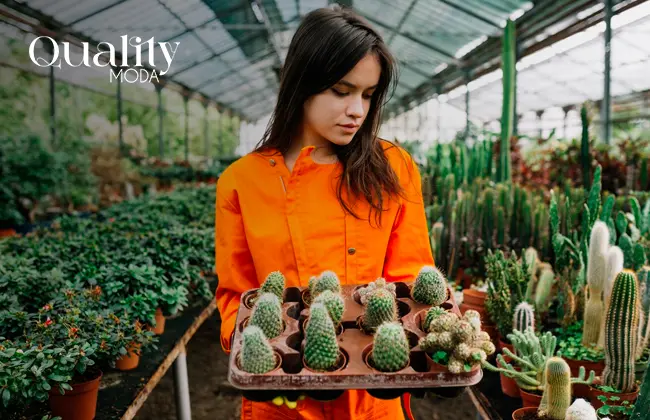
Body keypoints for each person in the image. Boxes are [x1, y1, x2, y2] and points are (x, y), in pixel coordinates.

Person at [215, 5, 439, 420]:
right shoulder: (242, 181)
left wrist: (419, 348)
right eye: (341, 90)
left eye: (368, 95)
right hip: (284, 400)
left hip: (375, 390)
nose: (357, 109)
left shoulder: (394, 167)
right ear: (302, 83)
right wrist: (258, 353)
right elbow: (235, 294)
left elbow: (410, 276)